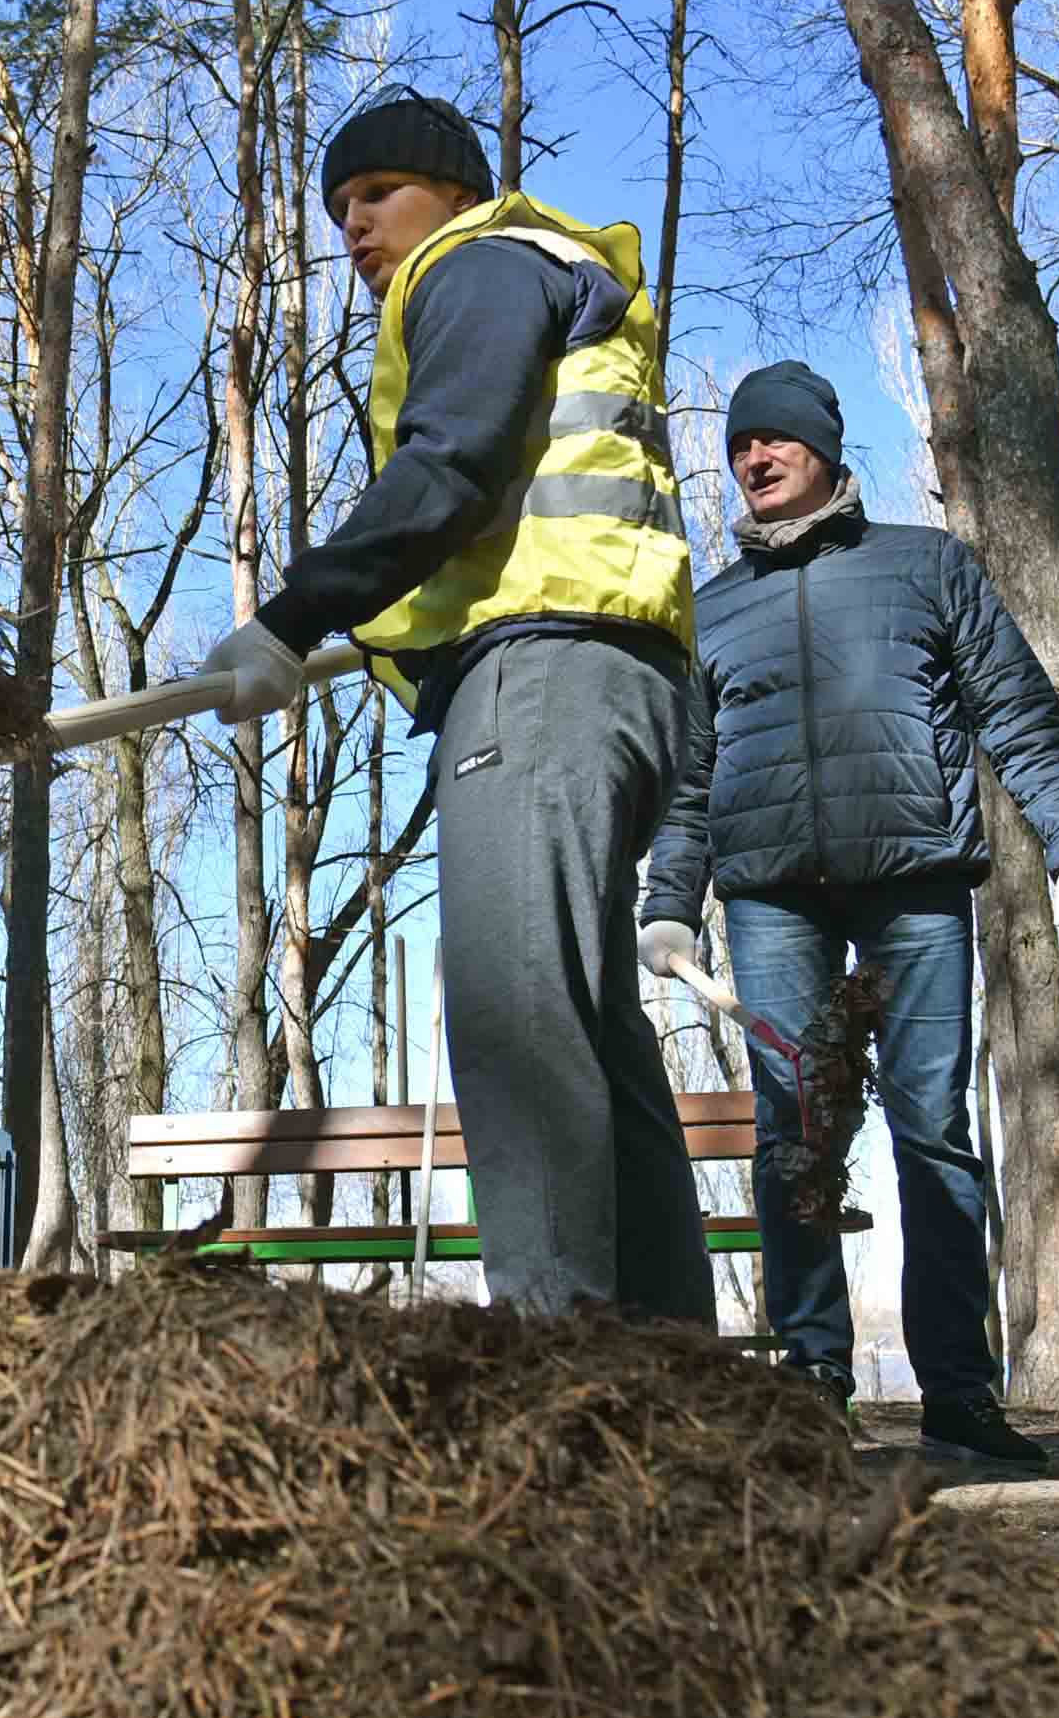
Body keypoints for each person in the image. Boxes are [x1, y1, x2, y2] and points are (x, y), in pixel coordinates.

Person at [196, 88, 712, 1324]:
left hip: (540, 680)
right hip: (619, 680)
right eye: (339, 211)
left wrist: (292, 613)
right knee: (590, 1024)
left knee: (517, 1013)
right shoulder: (553, 276)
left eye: (376, 196)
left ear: (453, 189)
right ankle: (669, 1376)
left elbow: (452, 461)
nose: (355, 230)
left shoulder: (475, 264)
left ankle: (560, 1367)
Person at [636, 360, 1059, 1469]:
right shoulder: (709, 609)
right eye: (739, 449)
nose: (753, 459)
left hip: (913, 885)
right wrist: (671, 904)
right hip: (768, 901)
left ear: (821, 446)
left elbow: (1019, 709)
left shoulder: (926, 565)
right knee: (791, 1140)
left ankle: (959, 1390)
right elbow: (689, 780)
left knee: (933, 1132)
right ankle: (813, 1386)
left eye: (774, 441)